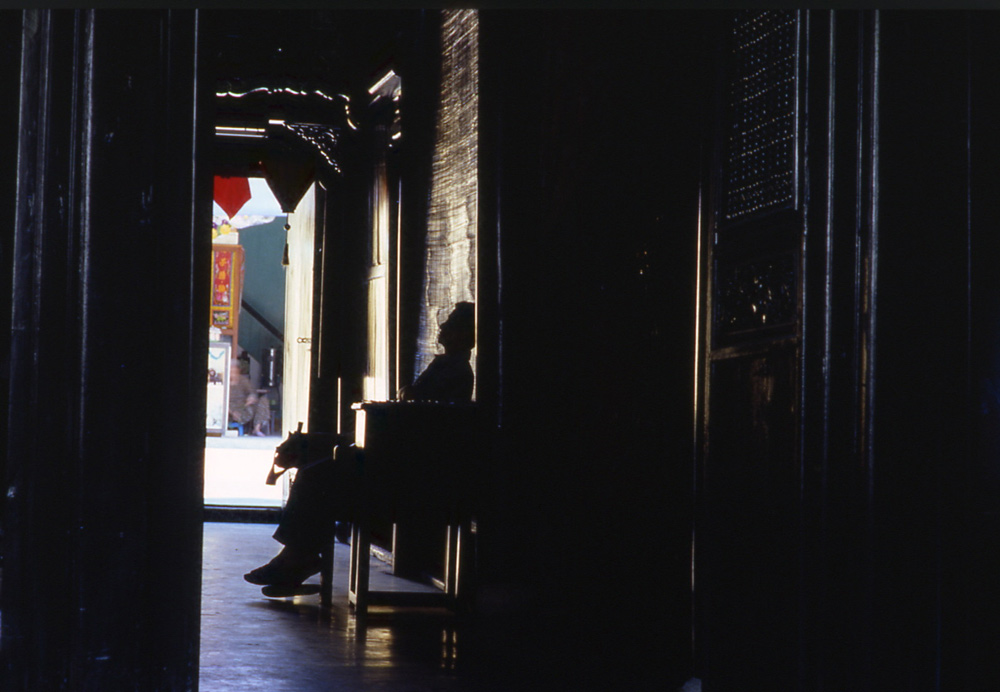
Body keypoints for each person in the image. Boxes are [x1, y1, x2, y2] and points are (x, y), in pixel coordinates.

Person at [244, 302, 476, 589]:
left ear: (466, 334)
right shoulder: (445, 367)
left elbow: (419, 428)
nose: (442, 327)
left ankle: (296, 557)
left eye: (450, 323)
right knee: (316, 467)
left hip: (409, 480)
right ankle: (296, 555)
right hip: (400, 467)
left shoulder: (457, 373)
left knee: (317, 476)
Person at [229, 358, 271, 437]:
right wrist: (232, 412)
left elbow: (252, 392)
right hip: (231, 410)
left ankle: (257, 428)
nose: (233, 373)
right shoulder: (224, 381)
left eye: (234, 370)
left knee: (263, 401)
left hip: (244, 407)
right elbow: (221, 401)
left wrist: (251, 397)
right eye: (231, 370)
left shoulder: (243, 380)